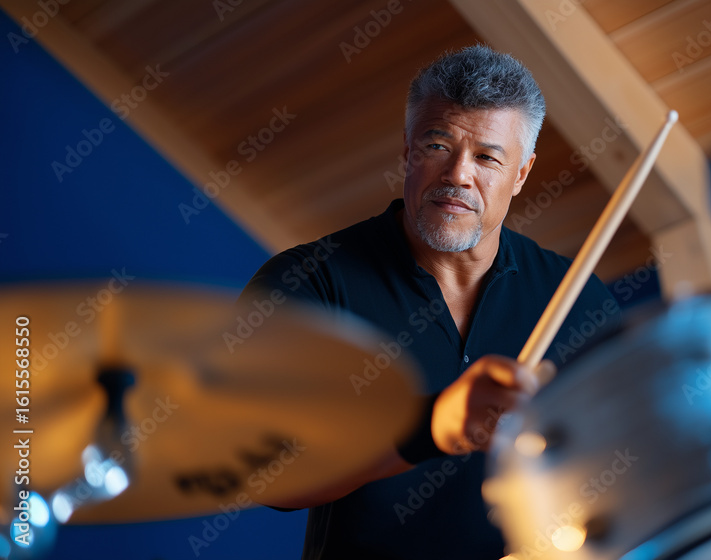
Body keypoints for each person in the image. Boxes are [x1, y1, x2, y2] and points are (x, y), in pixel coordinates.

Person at [239, 45, 622, 559]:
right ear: (407, 151)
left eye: (487, 157)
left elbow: (624, 458)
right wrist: (433, 425)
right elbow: (268, 476)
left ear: (522, 174)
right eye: (437, 145)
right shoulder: (308, 282)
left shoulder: (577, 299)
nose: (458, 175)